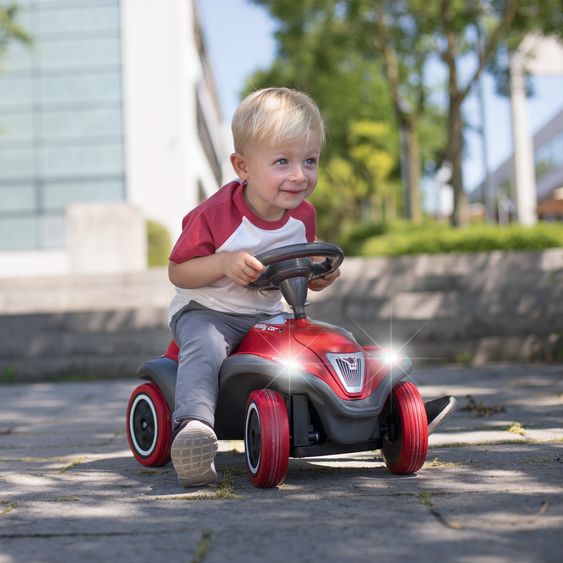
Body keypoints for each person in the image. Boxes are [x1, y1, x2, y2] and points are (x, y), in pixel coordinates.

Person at [167, 87, 339, 487]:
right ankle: (193, 428)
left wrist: (316, 276)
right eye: (283, 162)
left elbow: (297, 268)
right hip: (208, 311)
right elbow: (178, 271)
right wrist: (223, 263)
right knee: (206, 345)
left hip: (267, 314)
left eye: (309, 161)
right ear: (242, 166)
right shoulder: (215, 216)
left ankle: (360, 409)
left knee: (314, 341)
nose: (300, 175)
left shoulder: (303, 216)